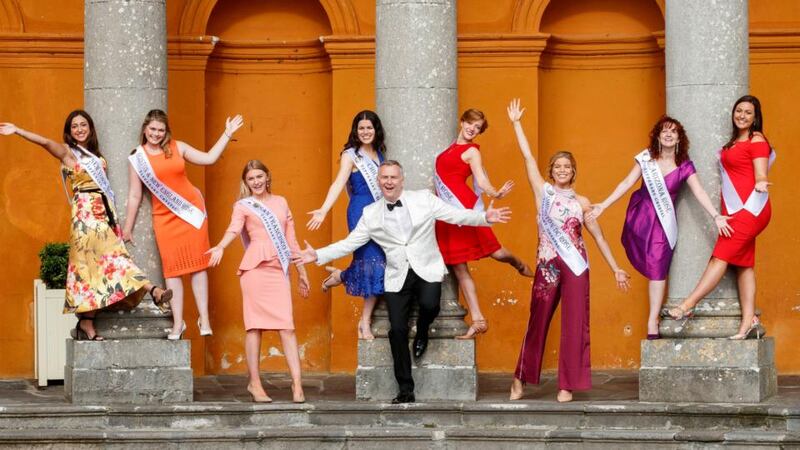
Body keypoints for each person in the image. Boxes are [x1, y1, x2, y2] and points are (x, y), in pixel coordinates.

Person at [297, 160, 511, 404]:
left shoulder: (424, 199)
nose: (389, 182)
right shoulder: (371, 213)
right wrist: (318, 255)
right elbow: (351, 242)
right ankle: (405, 389)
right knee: (396, 330)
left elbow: (455, 215)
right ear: (379, 181)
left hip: (426, 267)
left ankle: (422, 331)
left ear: (402, 179)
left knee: (431, 306)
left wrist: (485, 217)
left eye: (393, 177)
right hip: (397, 275)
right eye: (384, 178)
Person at [0, 112, 172, 340]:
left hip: (101, 212)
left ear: (90, 128)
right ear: (69, 131)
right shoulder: (69, 152)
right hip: (85, 216)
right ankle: (154, 290)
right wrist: (19, 130)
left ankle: (87, 323)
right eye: (74, 126)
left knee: (91, 269)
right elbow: (46, 143)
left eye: (83, 125)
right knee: (114, 258)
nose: (79, 129)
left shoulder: (95, 155)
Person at [505, 99, 630, 403]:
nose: (562, 170)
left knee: (576, 325)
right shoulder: (542, 192)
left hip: (576, 265)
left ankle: (567, 384)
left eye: (567, 167)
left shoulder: (582, 202)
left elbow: (598, 236)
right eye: (558, 166)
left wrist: (615, 267)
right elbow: (527, 158)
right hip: (548, 264)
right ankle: (519, 377)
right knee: (539, 320)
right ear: (552, 171)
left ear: (574, 172)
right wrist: (516, 124)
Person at [587, 116, 732, 339]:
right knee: (651, 262)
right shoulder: (646, 158)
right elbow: (626, 183)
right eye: (664, 130)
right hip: (641, 216)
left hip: (663, 223)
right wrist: (603, 205)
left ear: (678, 138)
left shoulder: (684, 164)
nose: (668, 134)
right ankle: (653, 316)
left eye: (673, 132)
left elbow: (699, 191)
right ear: (657, 135)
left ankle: (652, 319)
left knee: (658, 267)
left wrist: (715, 216)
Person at [122, 109, 243, 340]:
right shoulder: (137, 158)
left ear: (166, 131)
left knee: (198, 265)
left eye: (161, 130)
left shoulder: (178, 147)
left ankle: (203, 318)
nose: (156, 134)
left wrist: (226, 134)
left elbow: (209, 158)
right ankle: (178, 323)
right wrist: (127, 227)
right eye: (152, 129)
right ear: (145, 129)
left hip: (191, 214)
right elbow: (135, 195)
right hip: (164, 218)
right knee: (173, 271)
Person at [664, 95, 775, 340]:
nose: (742, 115)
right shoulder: (734, 142)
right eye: (739, 111)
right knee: (743, 265)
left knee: (720, 257)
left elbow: (760, 171)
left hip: (751, 208)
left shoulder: (757, 140)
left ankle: (688, 304)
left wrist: (761, 183)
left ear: (756, 117)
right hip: (735, 211)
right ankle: (748, 322)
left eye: (748, 112)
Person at [207, 160, 310, 403]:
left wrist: (302, 272)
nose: (256, 181)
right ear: (246, 182)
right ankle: (254, 384)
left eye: (259, 176)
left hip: (278, 269)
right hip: (255, 269)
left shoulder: (281, 202)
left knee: (287, 327)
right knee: (254, 327)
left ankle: (297, 385)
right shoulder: (242, 206)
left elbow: (291, 241)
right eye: (251, 178)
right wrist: (220, 246)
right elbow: (233, 229)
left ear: (267, 176)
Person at [435, 108, 533, 339]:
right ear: (462, 121)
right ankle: (478, 320)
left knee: (497, 253)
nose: (472, 129)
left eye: (478, 128)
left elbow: (481, 180)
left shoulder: (471, 152)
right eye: (470, 123)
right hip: (448, 214)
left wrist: (495, 194)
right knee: (459, 267)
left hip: (464, 208)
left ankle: (517, 263)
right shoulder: (450, 147)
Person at [306, 110, 387, 340]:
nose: (365, 132)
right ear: (355, 131)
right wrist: (323, 209)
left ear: (376, 129)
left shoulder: (381, 154)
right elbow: (339, 183)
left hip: (379, 212)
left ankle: (341, 277)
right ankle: (364, 323)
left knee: (380, 262)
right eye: (361, 128)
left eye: (369, 128)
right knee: (373, 263)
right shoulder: (351, 156)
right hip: (360, 211)